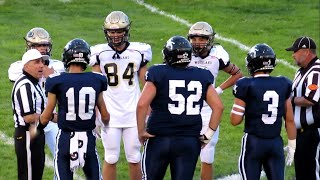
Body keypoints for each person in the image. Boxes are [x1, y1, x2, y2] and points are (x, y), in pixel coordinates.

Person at [137, 35, 224, 180]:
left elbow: (141, 104)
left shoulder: (157, 72)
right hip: (188, 141)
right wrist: (207, 135)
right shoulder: (202, 74)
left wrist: (141, 131)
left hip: (159, 138)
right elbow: (219, 107)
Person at [89, 10, 152, 180]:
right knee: (111, 157)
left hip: (133, 112)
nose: (115, 35)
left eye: (119, 31)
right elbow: (96, 85)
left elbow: (147, 84)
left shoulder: (138, 51)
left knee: (134, 157)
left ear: (126, 31)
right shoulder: (99, 53)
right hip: (110, 112)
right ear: (106, 32)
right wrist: (97, 112)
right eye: (112, 31)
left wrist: (149, 108)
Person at [39, 38, 110, 180]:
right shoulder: (97, 79)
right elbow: (105, 115)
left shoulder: (55, 80)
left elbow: (47, 116)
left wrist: (38, 126)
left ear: (67, 58)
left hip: (66, 138)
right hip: (88, 138)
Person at [230, 43, 297, 180]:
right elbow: (289, 119)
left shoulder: (245, 85)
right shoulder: (283, 83)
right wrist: (292, 145)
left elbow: (235, 121)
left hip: (254, 143)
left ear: (252, 63)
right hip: (275, 143)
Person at [187, 21, 243, 180]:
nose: (198, 42)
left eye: (202, 38)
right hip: (185, 109)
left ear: (210, 39)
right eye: (194, 38)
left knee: (207, 152)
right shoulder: (184, 54)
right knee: (185, 152)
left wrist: (217, 90)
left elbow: (237, 74)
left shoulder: (217, 55)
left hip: (207, 110)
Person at [8, 27, 64, 156]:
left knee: (63, 156)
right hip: (31, 120)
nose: (43, 48)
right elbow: (14, 74)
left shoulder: (58, 66)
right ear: (29, 47)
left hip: (51, 119)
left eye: (45, 45)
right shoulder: (17, 67)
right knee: (32, 162)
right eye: (38, 45)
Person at [11, 48, 53, 180]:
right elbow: (29, 117)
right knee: (28, 176)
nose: (41, 65)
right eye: (36, 62)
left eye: (42, 61)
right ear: (26, 65)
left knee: (35, 175)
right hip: (27, 134)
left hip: (34, 133)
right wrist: (51, 117)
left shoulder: (34, 83)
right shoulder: (25, 85)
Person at [285, 36, 320, 180]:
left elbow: (310, 99)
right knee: (302, 173)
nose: (293, 54)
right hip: (300, 133)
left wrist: (289, 100)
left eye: (295, 51)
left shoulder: (316, 71)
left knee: (313, 172)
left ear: (306, 51)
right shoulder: (301, 71)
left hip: (313, 132)